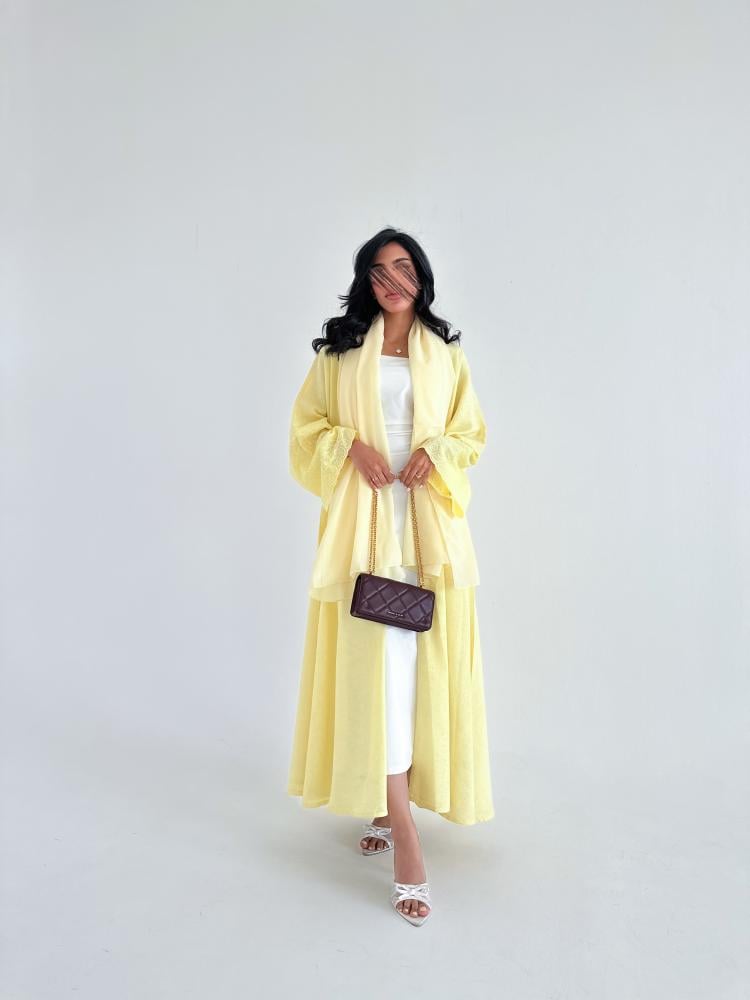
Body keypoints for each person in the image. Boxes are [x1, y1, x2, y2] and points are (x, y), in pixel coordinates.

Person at [287, 226, 494, 926]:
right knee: (377, 668)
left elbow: (471, 433)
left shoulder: (446, 354)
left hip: (427, 530)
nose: (392, 281)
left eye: (403, 268)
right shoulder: (342, 354)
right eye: (378, 271)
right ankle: (403, 831)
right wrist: (352, 447)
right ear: (365, 282)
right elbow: (306, 429)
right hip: (364, 530)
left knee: (412, 669)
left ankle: (388, 803)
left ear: (422, 276)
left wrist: (436, 453)